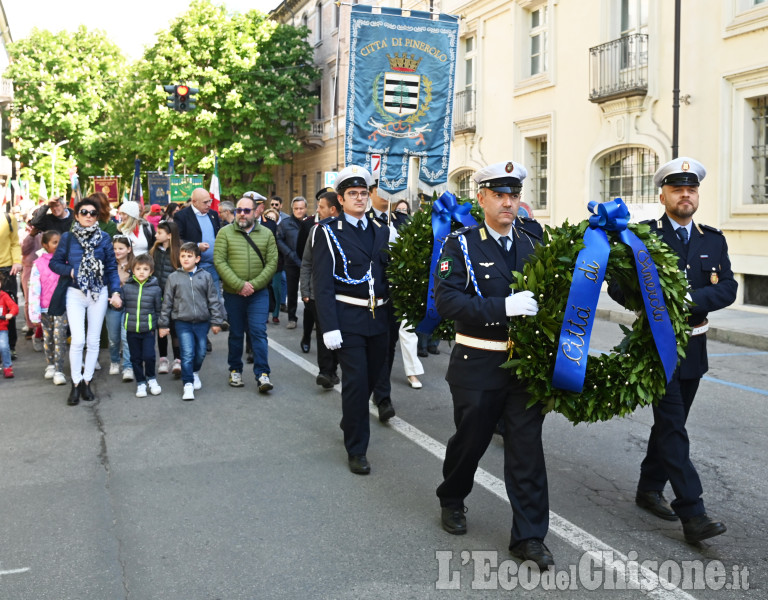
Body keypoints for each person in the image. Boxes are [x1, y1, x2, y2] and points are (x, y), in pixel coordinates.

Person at [610, 157, 736, 544]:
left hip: (694, 346)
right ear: (661, 194)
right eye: (678, 189)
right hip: (656, 346)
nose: (686, 195)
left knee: (669, 427)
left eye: (691, 189)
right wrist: (649, 300)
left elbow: (728, 288)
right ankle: (693, 513)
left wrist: (686, 298)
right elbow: (618, 286)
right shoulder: (644, 236)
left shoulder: (712, 239)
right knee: (673, 426)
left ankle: (649, 488)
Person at [433, 160, 553, 569]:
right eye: (499, 195)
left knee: (526, 450)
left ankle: (530, 536)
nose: (507, 202)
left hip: (523, 364)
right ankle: (452, 497)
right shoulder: (461, 244)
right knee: (470, 441)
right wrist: (503, 306)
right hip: (477, 361)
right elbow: (447, 301)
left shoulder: (533, 241)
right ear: (481, 198)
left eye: (514, 195)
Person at [311, 165, 391, 475]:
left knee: (372, 379)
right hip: (348, 317)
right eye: (352, 194)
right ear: (341, 200)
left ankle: (351, 417)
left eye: (363, 193)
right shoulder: (328, 232)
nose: (359, 198)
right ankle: (357, 449)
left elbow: (387, 276)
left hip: (379, 317)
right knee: (356, 383)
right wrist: (328, 326)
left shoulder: (381, 230)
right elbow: (323, 282)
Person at [50, 197, 123, 406]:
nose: (88, 216)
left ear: (97, 216)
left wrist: (115, 292)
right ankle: (75, 382)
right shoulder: (68, 238)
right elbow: (55, 263)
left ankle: (87, 381)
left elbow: (111, 268)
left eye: (93, 213)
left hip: (99, 293)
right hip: (75, 292)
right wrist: (71, 271)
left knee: (93, 341)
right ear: (77, 215)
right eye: (84, 212)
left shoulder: (105, 238)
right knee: (78, 340)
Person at [214, 193, 278, 392]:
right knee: (235, 333)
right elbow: (219, 261)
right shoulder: (225, 232)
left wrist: (254, 285)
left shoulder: (267, 234)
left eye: (246, 210)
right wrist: (239, 284)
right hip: (234, 294)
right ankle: (235, 370)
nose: (241, 214)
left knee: (258, 332)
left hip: (258, 294)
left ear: (255, 212)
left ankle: (263, 375)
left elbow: (272, 262)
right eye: (238, 210)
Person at [159, 242, 224, 401]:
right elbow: (167, 302)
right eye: (183, 256)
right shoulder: (173, 277)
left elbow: (213, 300)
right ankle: (187, 384)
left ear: (197, 259)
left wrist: (216, 321)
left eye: (189, 256)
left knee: (201, 351)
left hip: (202, 321)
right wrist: (163, 324)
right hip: (182, 321)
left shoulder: (205, 276)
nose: (186, 259)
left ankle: (194, 372)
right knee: (187, 353)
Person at [300, 190, 341, 389]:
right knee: (323, 332)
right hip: (318, 293)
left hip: (342, 294)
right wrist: (305, 291)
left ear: (333, 209)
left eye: (321, 207)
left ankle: (333, 367)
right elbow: (307, 262)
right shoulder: (315, 231)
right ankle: (326, 371)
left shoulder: (346, 232)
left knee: (339, 332)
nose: (317, 210)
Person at [28, 230, 69, 385]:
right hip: (45, 308)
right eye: (54, 242)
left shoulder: (66, 261)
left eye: (60, 242)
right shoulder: (38, 264)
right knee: (48, 337)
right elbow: (34, 288)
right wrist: (34, 312)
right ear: (45, 245)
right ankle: (50, 364)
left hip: (61, 307)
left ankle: (59, 370)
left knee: (60, 337)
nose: (58, 245)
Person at [121, 253, 163, 398]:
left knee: (149, 356)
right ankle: (140, 382)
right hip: (131, 330)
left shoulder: (155, 289)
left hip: (148, 330)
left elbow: (159, 309)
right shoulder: (127, 288)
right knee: (135, 358)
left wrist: (159, 326)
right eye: (138, 268)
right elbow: (122, 306)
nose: (141, 272)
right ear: (133, 270)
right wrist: (115, 302)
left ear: (151, 272)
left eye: (145, 269)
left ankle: (151, 379)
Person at [151, 221, 182, 376]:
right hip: (158, 294)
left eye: (159, 232)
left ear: (169, 236)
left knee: (175, 327)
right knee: (161, 327)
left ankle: (178, 359)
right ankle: (163, 359)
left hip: (175, 296)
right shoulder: (155, 250)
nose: (156, 235)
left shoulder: (178, 251)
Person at [276, 196, 307, 329]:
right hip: (291, 261)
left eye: (301, 208)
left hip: (307, 262)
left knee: (309, 292)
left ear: (305, 208)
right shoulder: (285, 223)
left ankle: (311, 320)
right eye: (296, 208)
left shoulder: (310, 222)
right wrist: (289, 253)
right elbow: (279, 240)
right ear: (292, 209)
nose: (299, 211)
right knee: (292, 291)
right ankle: (292, 318)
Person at [106, 235, 134, 381]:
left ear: (129, 249)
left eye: (121, 248)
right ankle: (115, 360)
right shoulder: (109, 265)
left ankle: (128, 366)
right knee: (113, 337)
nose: (117, 251)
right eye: (115, 248)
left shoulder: (134, 265)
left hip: (130, 305)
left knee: (126, 336)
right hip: (113, 305)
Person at [0, 208, 22, 360]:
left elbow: (15, 242)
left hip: (7, 269)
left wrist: (17, 261)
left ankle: (11, 346)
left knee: (8, 307)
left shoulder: (8, 218)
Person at [262, 207, 284, 324]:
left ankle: (275, 314)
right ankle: (265, 314)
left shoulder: (280, 230)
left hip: (277, 264)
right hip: (264, 265)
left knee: (276, 288)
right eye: (268, 217)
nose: (270, 219)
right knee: (265, 290)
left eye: (273, 218)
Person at [0, 270, 19, 378]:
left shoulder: (4, 296)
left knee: (4, 346)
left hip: (2, 327)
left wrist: (10, 314)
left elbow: (14, 307)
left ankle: (7, 366)